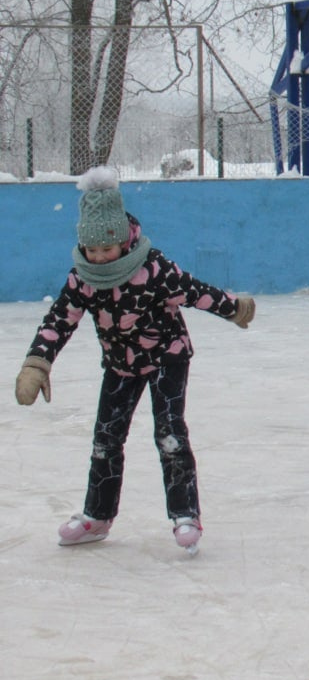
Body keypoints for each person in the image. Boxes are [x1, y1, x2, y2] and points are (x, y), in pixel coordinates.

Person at [13, 167, 255, 554]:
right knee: (105, 440)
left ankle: (185, 514)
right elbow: (59, 319)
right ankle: (97, 516)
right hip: (120, 364)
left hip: (167, 358)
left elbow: (194, 291)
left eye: (106, 249)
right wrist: (38, 362)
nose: (100, 257)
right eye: (91, 250)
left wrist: (234, 309)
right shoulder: (84, 278)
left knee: (170, 434)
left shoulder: (153, 268)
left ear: (124, 240)